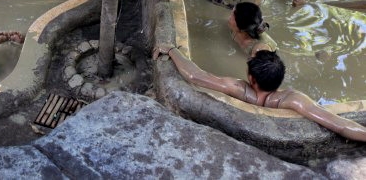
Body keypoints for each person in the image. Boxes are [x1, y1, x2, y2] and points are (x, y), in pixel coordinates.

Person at [153, 47, 366, 142]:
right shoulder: (292, 99)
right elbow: (339, 124)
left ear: (252, 79)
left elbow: (195, 76)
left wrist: (172, 50)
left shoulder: (239, 89)